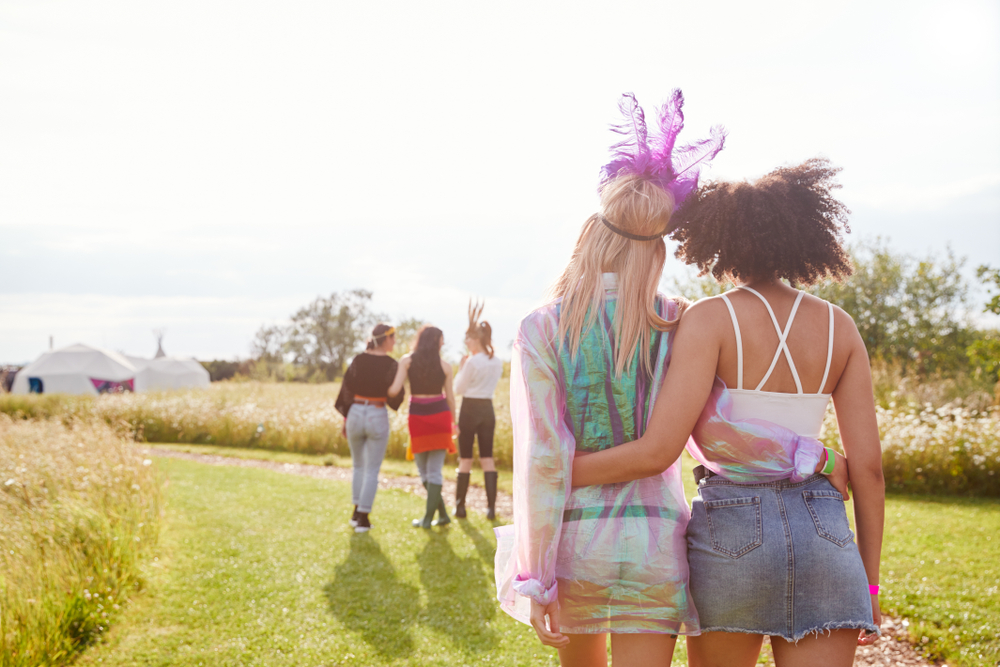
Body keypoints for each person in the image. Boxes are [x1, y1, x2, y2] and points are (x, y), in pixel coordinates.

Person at [571, 159, 884, 666]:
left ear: (717, 242)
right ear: (804, 235)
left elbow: (658, 450)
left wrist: (556, 471)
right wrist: (868, 584)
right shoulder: (840, 327)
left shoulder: (709, 319)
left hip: (733, 531)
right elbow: (867, 469)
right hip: (825, 529)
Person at [494, 91, 725, 667]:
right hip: (656, 545)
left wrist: (535, 578)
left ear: (592, 235)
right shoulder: (680, 323)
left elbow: (544, 459)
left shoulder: (541, 328)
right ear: (657, 251)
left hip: (573, 547)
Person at [335, 323, 405, 533]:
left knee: (358, 466)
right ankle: (363, 519)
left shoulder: (358, 360)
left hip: (355, 412)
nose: (394, 342)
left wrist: (346, 419)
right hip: (376, 412)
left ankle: (356, 514)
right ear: (384, 339)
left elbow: (346, 389)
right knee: (372, 469)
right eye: (393, 338)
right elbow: (395, 395)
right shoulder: (393, 365)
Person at [388, 325, 458, 529]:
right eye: (441, 339)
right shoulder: (446, 366)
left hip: (418, 417)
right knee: (430, 472)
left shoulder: (407, 361)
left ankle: (427, 519)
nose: (443, 343)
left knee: (426, 472)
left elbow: (393, 390)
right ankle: (442, 515)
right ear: (435, 341)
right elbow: (451, 399)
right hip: (440, 417)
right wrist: (454, 423)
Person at [453, 299, 505, 520]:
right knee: (487, 458)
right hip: (487, 409)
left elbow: (457, 388)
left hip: (469, 408)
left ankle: (460, 507)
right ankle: (491, 509)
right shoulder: (497, 362)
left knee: (465, 459)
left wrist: (462, 367)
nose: (466, 342)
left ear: (475, 339)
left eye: (468, 338)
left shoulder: (472, 362)